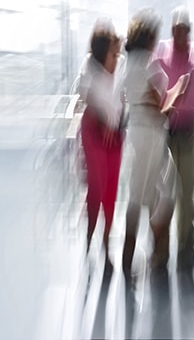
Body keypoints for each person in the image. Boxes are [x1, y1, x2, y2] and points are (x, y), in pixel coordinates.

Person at [120, 9, 185, 274]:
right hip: (152, 134)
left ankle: (129, 254)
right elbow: (162, 106)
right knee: (168, 190)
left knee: (138, 194)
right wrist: (178, 90)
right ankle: (155, 247)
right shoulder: (149, 63)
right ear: (148, 38)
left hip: (135, 132)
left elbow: (131, 99)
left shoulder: (127, 64)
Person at [153, 7, 194, 269]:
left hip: (187, 133)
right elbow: (151, 88)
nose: (179, 33)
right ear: (171, 29)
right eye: (176, 28)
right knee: (163, 195)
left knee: (187, 192)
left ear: (189, 31)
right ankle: (161, 250)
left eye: (184, 29)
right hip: (164, 133)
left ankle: (187, 248)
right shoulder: (160, 53)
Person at [79, 19, 125, 267]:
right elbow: (84, 95)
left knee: (111, 188)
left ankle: (106, 242)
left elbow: (124, 101)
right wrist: (102, 118)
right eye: (112, 51)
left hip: (115, 133)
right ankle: (89, 237)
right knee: (97, 185)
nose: (116, 56)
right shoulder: (89, 65)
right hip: (94, 130)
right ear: (100, 52)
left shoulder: (122, 65)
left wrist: (116, 123)